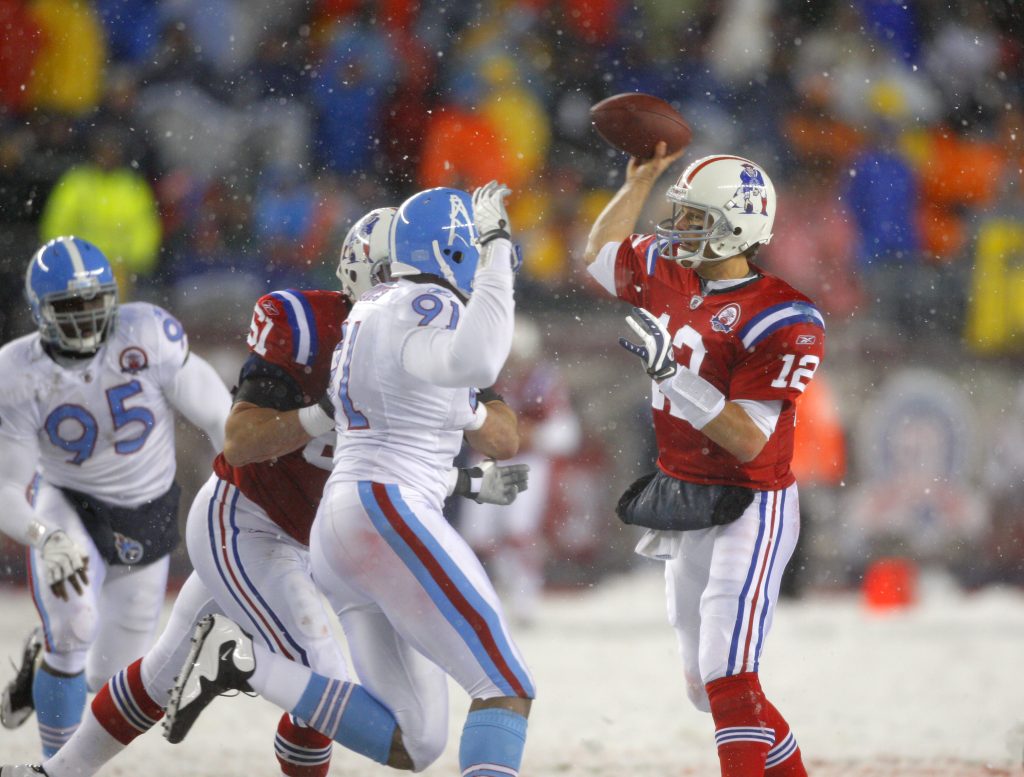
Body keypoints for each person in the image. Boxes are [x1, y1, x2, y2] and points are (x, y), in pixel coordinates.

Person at [0, 209, 529, 777]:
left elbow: (494, 436)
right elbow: (239, 442)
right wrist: (326, 413)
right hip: (247, 522)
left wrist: (463, 443)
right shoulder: (308, 324)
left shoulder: (433, 335)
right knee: (322, 683)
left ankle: (57, 772)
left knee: (164, 670)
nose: (419, 293)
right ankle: (240, 667)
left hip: (316, 534)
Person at [161, 183, 535, 777]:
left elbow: (430, 417)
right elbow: (479, 365)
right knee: (504, 683)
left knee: (416, 743)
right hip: (384, 510)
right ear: (452, 252)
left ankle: (249, 664)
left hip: (350, 519)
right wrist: (494, 255)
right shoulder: (422, 304)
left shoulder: (371, 316)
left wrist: (462, 469)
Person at [582, 145, 824, 777]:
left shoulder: (782, 315)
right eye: (681, 214)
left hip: (750, 502)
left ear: (737, 225)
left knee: (728, 674)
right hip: (685, 494)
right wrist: (639, 182)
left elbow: (750, 440)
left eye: (695, 218)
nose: (678, 228)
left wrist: (672, 375)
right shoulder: (668, 266)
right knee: (703, 685)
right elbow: (600, 256)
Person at [0, 236, 230, 758]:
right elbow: (7, 489)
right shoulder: (16, 373)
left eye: (93, 303)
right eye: (69, 308)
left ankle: (44, 665)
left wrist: (238, 483)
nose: (84, 319)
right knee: (74, 629)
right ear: (40, 312)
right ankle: (55, 767)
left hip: (148, 510)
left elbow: (218, 416)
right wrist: (46, 536)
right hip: (70, 505)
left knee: (106, 681)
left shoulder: (147, 331)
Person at [459, 315, 582, 625]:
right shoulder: (482, 377)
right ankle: (505, 591)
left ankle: (524, 598)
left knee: (519, 532)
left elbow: (565, 433)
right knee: (479, 536)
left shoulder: (542, 380)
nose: (510, 362)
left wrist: (525, 434)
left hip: (526, 460)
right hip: (486, 459)